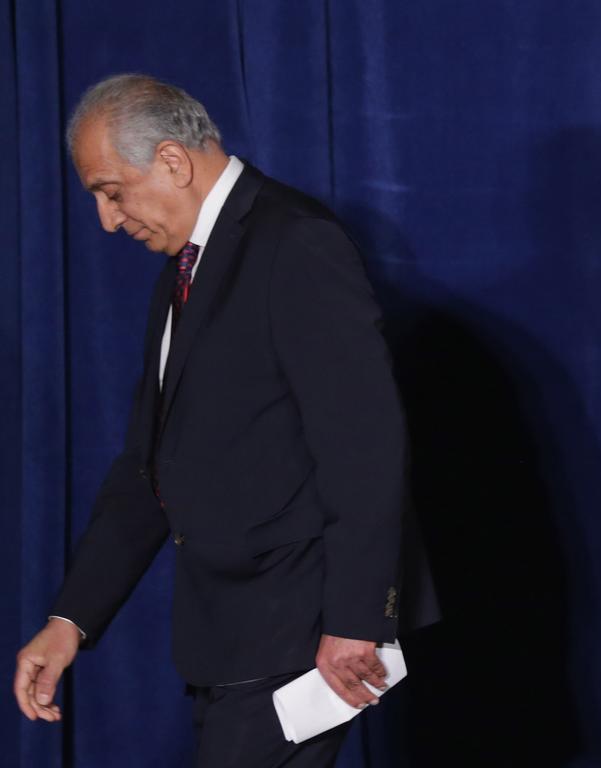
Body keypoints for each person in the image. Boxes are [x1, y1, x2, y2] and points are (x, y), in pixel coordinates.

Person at [13, 74, 428, 767]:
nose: (107, 221)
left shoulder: (295, 242)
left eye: (111, 192)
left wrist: (357, 622)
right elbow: (149, 469)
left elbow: (366, 448)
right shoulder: (185, 272)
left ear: (173, 162)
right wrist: (70, 621)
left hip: (300, 638)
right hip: (226, 641)